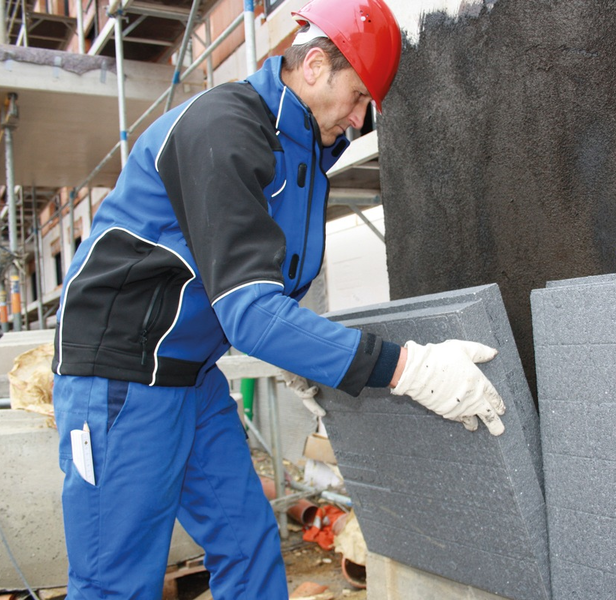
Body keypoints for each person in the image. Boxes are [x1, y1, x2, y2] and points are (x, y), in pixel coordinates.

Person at [51, 0, 505, 597]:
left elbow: (272, 286)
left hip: (188, 374)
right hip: (118, 376)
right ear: (314, 66)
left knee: (247, 544)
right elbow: (250, 312)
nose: (362, 120)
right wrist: (409, 369)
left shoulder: (304, 153)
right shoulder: (225, 127)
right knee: (118, 580)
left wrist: (304, 357)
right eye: (360, 97)